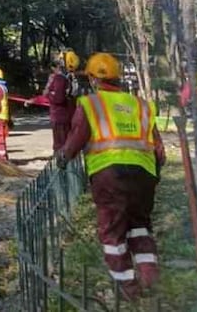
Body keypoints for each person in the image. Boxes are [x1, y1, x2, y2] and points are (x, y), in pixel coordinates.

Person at [58, 53, 165, 300]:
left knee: (112, 232)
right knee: (140, 226)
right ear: (118, 78)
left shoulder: (90, 104)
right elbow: (159, 150)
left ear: (94, 79)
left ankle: (128, 287)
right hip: (144, 175)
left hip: (109, 177)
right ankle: (150, 276)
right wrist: (153, 177)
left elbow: (76, 139)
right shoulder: (141, 105)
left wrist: (64, 158)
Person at [46, 57, 73, 151]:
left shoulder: (59, 79)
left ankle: (60, 161)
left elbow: (58, 98)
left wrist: (48, 95)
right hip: (65, 115)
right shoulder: (66, 78)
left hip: (59, 116)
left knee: (60, 143)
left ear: (55, 67)